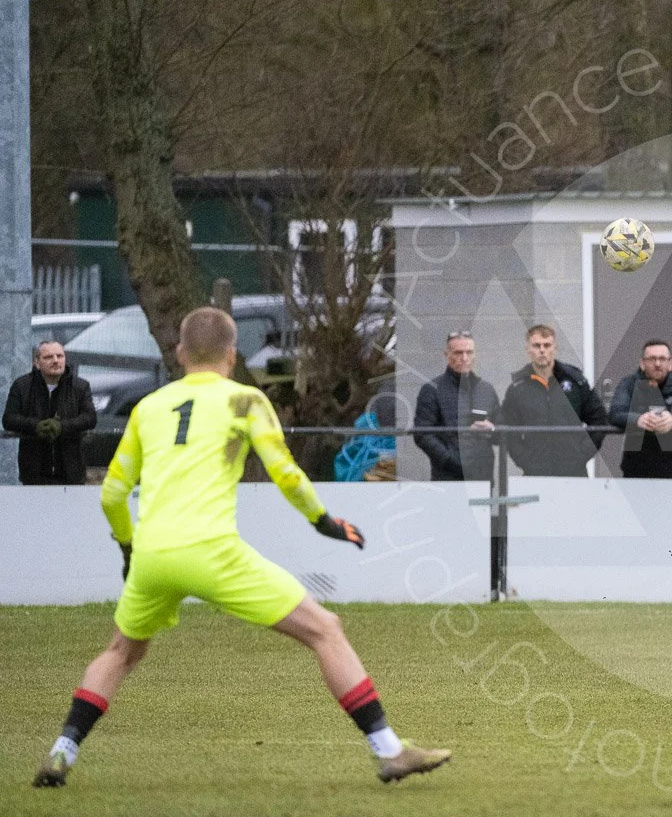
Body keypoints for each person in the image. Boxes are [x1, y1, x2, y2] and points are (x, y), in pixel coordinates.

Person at [32, 307, 449, 788]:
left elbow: (111, 493)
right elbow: (286, 473)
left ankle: (61, 753)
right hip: (211, 551)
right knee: (325, 630)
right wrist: (323, 520)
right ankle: (389, 750)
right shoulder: (245, 401)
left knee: (120, 652)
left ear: (180, 353)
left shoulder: (149, 407)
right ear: (233, 355)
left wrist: (129, 550)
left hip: (152, 553)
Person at [501, 324, 609, 477]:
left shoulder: (575, 382)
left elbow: (599, 420)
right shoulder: (518, 387)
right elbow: (508, 429)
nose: (542, 350)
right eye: (536, 345)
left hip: (574, 472)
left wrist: (581, 454)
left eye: (547, 345)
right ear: (528, 350)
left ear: (554, 348)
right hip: (535, 472)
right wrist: (525, 460)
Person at [608, 339, 672, 478]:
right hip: (634, 469)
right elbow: (615, 414)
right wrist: (638, 420)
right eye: (652, 359)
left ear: (670, 364)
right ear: (642, 363)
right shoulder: (629, 383)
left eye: (662, 359)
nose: (657, 364)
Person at [4, 340, 97, 485]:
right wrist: (36, 426)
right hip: (34, 472)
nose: (55, 361)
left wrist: (62, 426)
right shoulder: (21, 386)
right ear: (37, 362)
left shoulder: (80, 386)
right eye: (48, 357)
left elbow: (90, 418)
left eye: (59, 356)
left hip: (71, 472)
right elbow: (9, 419)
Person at [414, 331, 502, 481]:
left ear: (475, 354)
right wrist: (451, 460)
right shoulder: (432, 389)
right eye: (458, 353)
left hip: (482, 475)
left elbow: (503, 431)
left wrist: (492, 430)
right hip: (447, 477)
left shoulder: (486, 389)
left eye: (469, 352)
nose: (464, 358)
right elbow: (422, 434)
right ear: (447, 355)